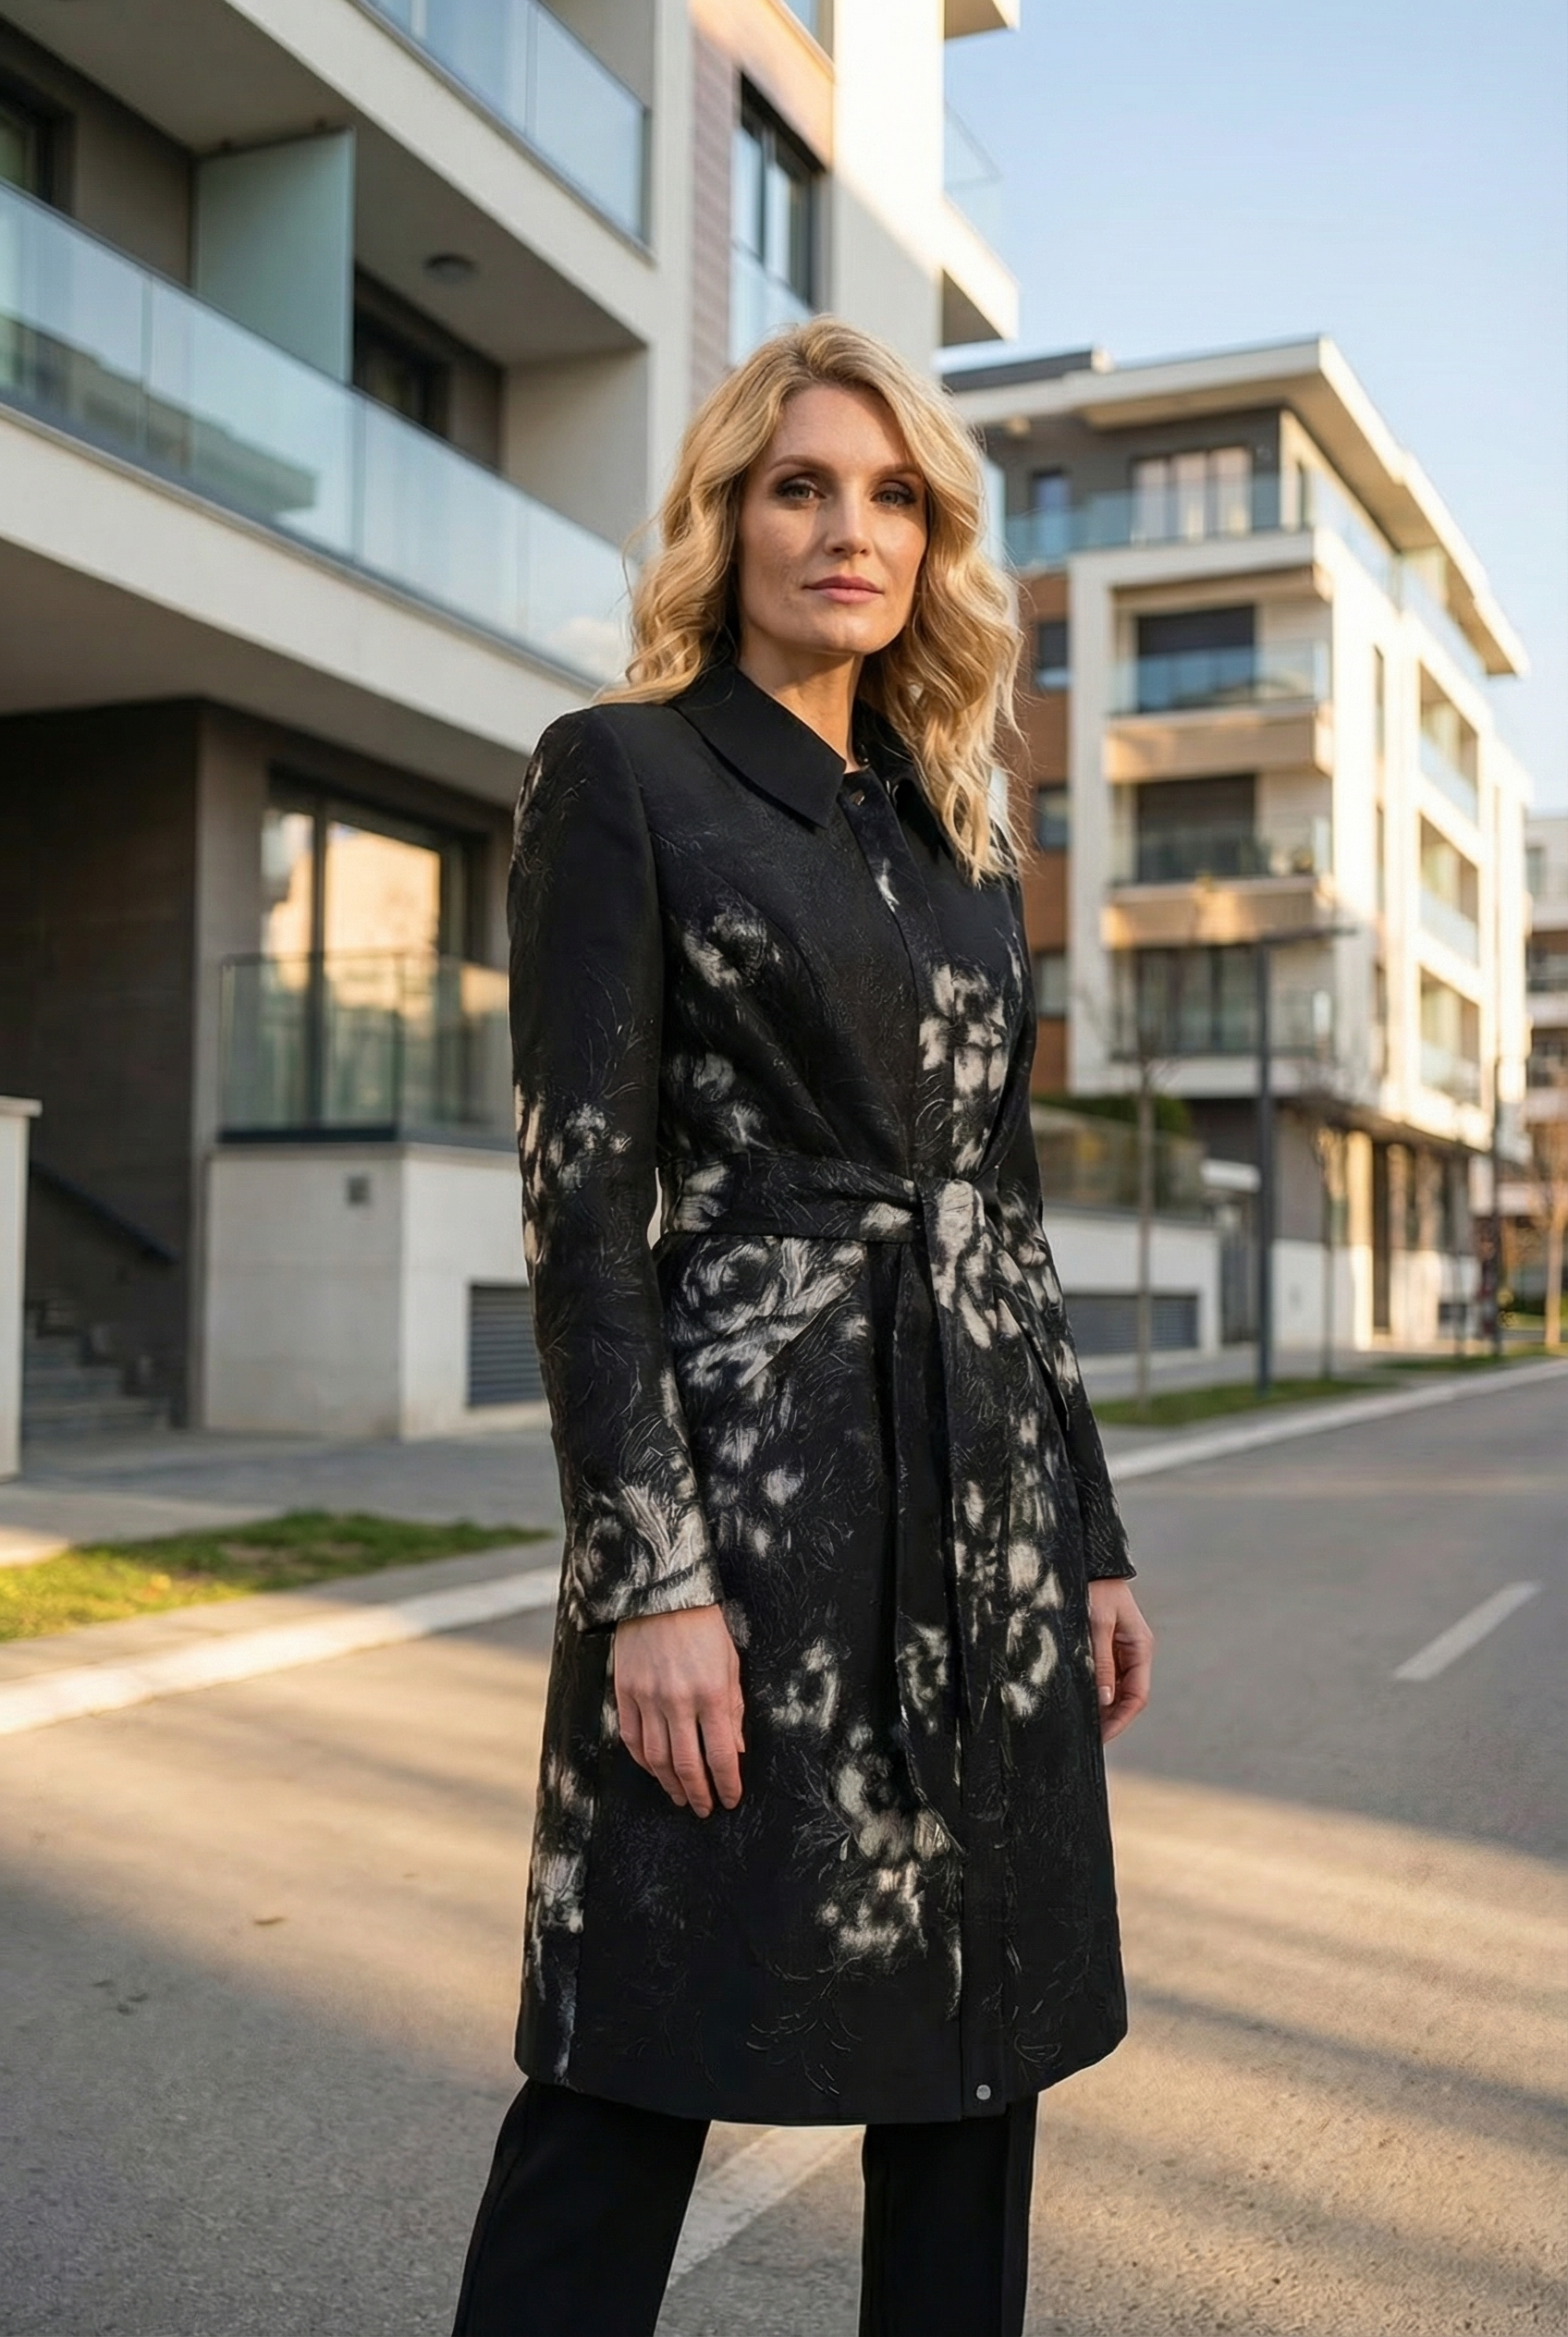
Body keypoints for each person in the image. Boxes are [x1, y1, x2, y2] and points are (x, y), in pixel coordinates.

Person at [450, 317, 1154, 2337]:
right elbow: (578, 1201)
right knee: (634, 2043)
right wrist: (648, 1578)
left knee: (976, 2061)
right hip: (745, 1520)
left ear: (929, 542)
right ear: (726, 518)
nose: (847, 529)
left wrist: (1084, 1535)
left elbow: (998, 1211)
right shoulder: (625, 775)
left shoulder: (961, 834)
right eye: (797, 485)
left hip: (983, 1515)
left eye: (891, 494)